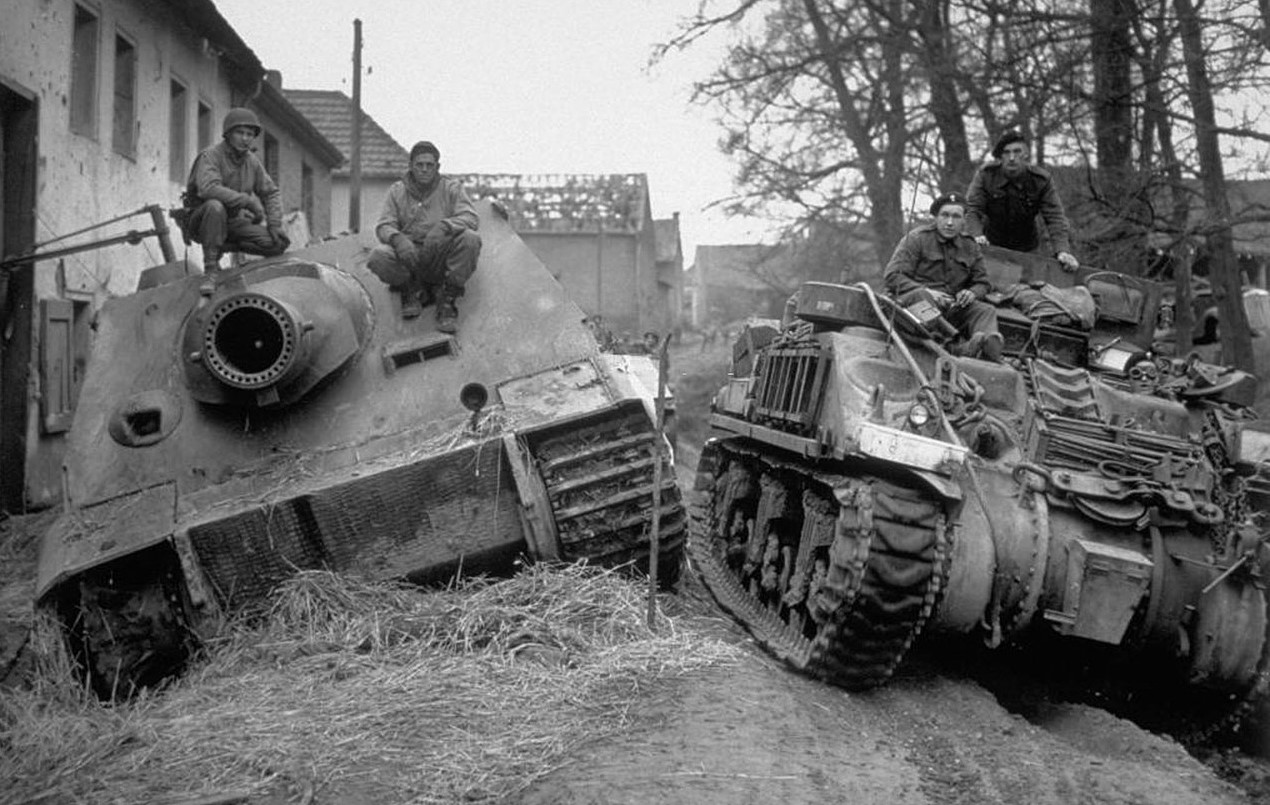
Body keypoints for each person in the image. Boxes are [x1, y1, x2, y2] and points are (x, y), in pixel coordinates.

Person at [369, 141, 481, 332]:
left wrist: (445, 226)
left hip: (440, 255)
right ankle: (410, 290)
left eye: (429, 165)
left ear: (437, 167)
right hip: (410, 257)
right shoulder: (397, 191)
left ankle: (447, 299)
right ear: (411, 166)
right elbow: (384, 225)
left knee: (470, 239)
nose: (424, 169)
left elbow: (470, 218)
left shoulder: (451, 188)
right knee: (378, 256)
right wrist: (398, 239)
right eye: (419, 165)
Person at [884, 192, 1003, 362]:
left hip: (951, 307)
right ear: (936, 217)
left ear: (963, 221)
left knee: (985, 310)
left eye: (956, 217)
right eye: (945, 215)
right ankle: (953, 346)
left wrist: (972, 293)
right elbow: (892, 276)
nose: (949, 222)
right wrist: (927, 291)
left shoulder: (970, 246)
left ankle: (988, 345)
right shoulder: (917, 239)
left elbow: (983, 283)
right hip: (914, 308)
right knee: (922, 297)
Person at [181, 108, 289, 273]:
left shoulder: (251, 162)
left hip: (232, 222)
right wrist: (248, 201)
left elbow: (271, 193)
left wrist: (274, 223)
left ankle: (223, 246)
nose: (245, 138)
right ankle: (211, 266)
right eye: (240, 133)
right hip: (203, 220)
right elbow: (208, 189)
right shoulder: (210, 156)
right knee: (215, 206)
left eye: (249, 134)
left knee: (278, 243)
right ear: (228, 134)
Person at [965, 130, 1079, 272]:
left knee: (1031, 284)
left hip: (1027, 249)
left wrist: (1062, 251)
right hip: (991, 246)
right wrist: (976, 235)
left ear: (1026, 154)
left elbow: (1055, 218)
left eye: (1017, 152)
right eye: (1006, 152)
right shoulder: (986, 176)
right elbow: (972, 209)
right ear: (1000, 156)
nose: (1012, 158)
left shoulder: (1041, 181)